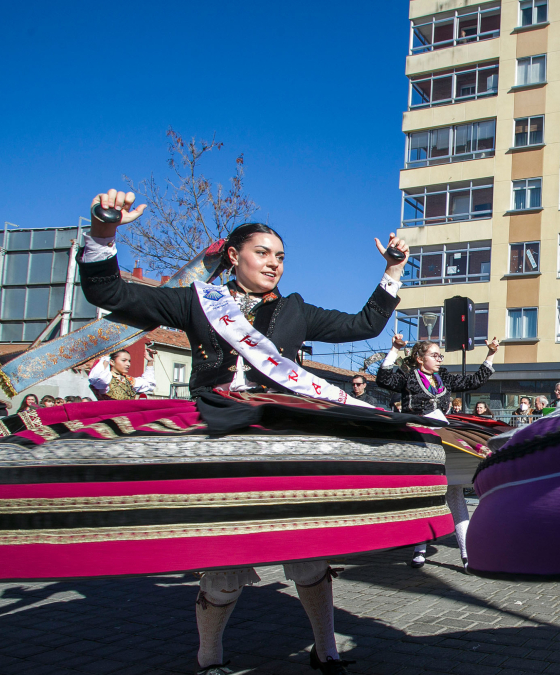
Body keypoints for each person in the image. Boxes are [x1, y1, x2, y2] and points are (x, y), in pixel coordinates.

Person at [74, 189, 411, 675]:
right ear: (233, 256)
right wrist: (105, 231)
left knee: (306, 551)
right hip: (220, 436)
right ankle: (208, 659)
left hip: (285, 436)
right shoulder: (197, 303)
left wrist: (394, 268)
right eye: (263, 253)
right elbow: (109, 293)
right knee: (225, 558)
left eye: (280, 257)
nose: (274, 264)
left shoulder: (297, 310)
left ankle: (326, 650)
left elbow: (366, 324)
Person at [376, 334, 503, 571]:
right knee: (424, 497)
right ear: (419, 358)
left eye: (440, 355)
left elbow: (473, 382)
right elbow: (383, 379)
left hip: (444, 440)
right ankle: (419, 548)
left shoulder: (442, 376)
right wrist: (394, 350)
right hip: (419, 442)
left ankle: (467, 555)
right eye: (434, 355)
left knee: (454, 493)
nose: (439, 359)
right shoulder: (408, 376)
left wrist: (491, 354)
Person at [88, 349, 156, 400]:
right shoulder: (106, 380)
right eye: (124, 360)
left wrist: (150, 361)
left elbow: (149, 384)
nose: (128, 364)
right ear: (112, 362)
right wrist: (106, 357)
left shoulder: (128, 380)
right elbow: (101, 378)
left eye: (129, 361)